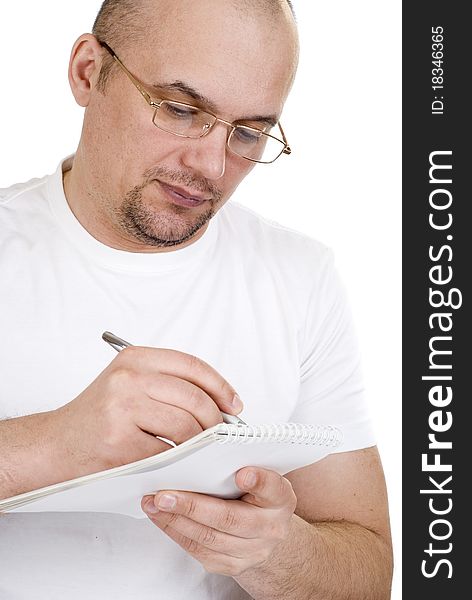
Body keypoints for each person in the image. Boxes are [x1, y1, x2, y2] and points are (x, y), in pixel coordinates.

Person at [0, 0, 393, 598]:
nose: (211, 164)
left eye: (250, 132)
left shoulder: (299, 275)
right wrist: (56, 445)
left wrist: (277, 552)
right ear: (86, 71)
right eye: (181, 110)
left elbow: (368, 573)